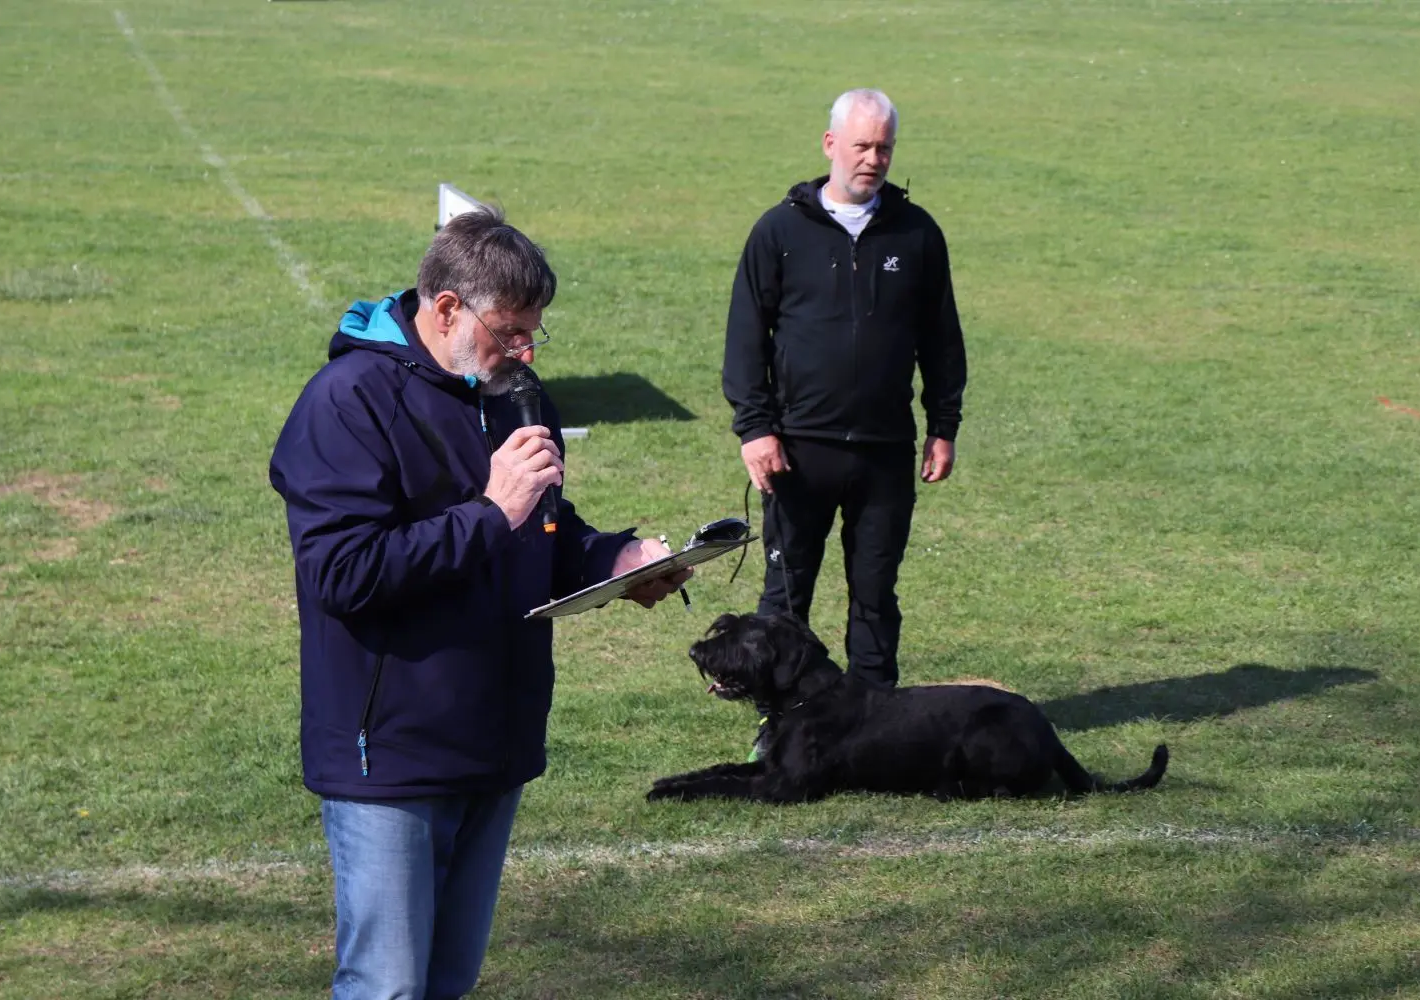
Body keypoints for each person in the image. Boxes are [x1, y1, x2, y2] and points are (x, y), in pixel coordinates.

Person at [269, 206, 688, 1000]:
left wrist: (619, 560)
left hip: (494, 739)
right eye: (510, 331)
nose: (526, 352)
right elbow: (343, 573)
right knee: (389, 987)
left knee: (449, 981)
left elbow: (546, 532)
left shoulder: (515, 394)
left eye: (535, 332)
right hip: (392, 755)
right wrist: (491, 512)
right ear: (446, 309)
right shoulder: (347, 402)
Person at [722, 87, 967, 707]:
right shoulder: (779, 232)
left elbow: (942, 338)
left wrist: (943, 426)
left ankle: (875, 716)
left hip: (886, 449)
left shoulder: (917, 233)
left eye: (884, 148)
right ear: (831, 144)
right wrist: (755, 430)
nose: (873, 159)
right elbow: (746, 337)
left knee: (876, 592)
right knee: (785, 594)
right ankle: (777, 719)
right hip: (799, 448)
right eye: (862, 146)